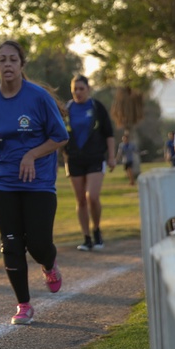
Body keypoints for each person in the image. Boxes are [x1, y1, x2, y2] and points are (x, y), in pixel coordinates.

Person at [0, 40, 69, 326]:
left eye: (13, 59)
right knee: (11, 244)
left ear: (22, 65)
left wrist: (31, 154)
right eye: (2, 60)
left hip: (38, 184)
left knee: (38, 244)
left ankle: (49, 265)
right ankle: (23, 304)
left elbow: (60, 137)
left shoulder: (38, 98)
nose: (7, 64)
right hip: (1, 182)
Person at [63, 74, 115, 252]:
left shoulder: (96, 107)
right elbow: (59, 136)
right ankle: (86, 237)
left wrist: (112, 156)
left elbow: (109, 133)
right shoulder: (67, 109)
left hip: (95, 157)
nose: (77, 92)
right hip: (74, 159)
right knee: (80, 200)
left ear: (88, 89)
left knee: (91, 196)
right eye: (74, 89)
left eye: (81, 89)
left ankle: (97, 230)